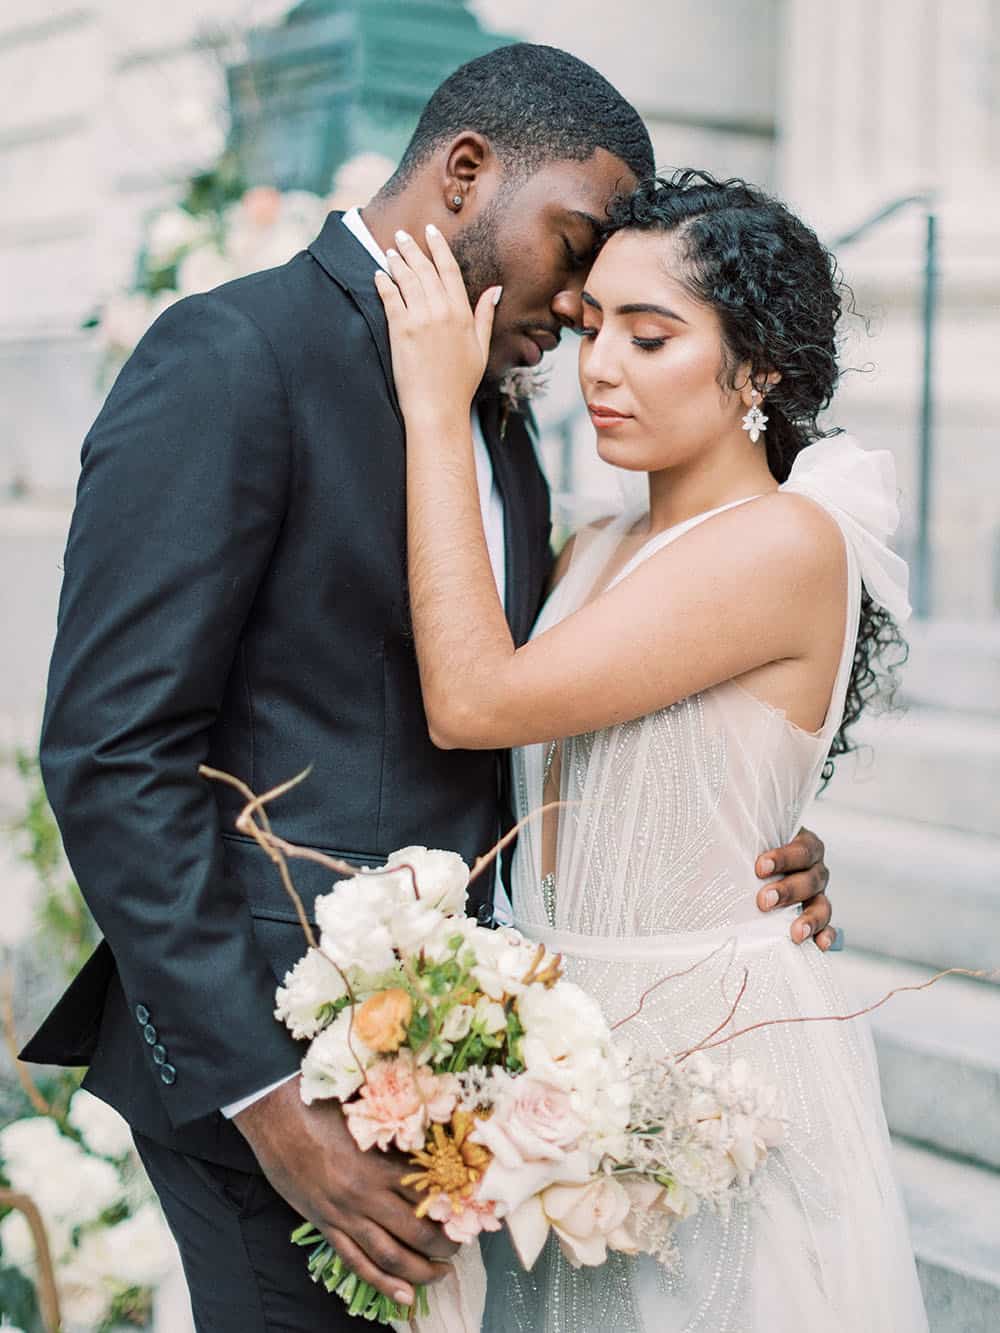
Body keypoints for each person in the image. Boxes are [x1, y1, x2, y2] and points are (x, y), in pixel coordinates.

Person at [22, 46, 835, 1332]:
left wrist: (741, 828)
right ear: (465, 174)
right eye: (573, 248)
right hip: (277, 1084)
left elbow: (542, 711)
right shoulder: (235, 353)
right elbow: (112, 750)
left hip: (463, 1090)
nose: (579, 312)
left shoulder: (488, 409)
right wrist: (266, 1105)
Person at [374, 171, 926, 1330]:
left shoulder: (782, 540)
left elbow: (474, 699)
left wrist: (434, 407)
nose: (600, 366)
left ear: (758, 369)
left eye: (651, 333)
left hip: (711, 1065)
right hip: (560, 1055)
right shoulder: (599, 536)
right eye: (589, 327)